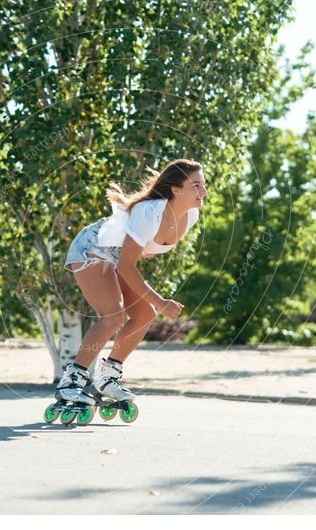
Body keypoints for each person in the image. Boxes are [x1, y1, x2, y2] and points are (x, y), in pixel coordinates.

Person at [57, 158, 207, 405]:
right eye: (196, 185)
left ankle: (107, 378)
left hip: (117, 256)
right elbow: (127, 265)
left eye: (203, 184)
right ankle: (71, 381)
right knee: (113, 316)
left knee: (144, 314)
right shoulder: (150, 212)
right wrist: (161, 301)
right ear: (176, 189)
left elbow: (135, 255)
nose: (203, 191)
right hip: (93, 247)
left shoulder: (190, 216)